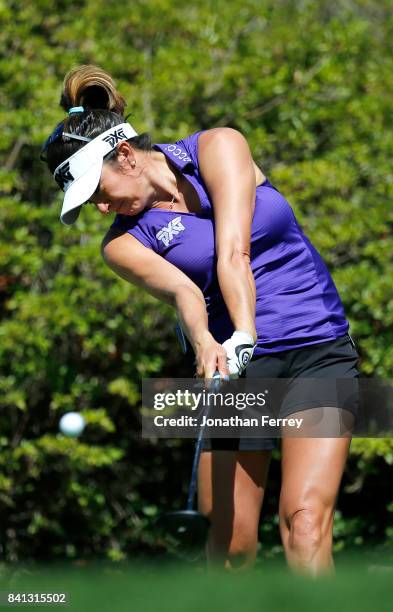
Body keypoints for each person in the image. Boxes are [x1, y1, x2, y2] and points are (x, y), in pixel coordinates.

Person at [41, 65, 360, 576]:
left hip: (317, 346)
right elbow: (185, 292)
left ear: (125, 155)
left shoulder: (217, 147)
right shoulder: (122, 244)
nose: (102, 209)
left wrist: (244, 332)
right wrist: (206, 342)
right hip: (233, 372)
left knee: (305, 525)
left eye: (98, 191)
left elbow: (232, 251)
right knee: (230, 550)